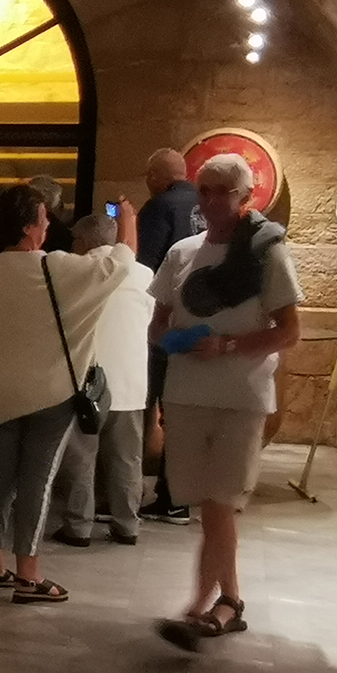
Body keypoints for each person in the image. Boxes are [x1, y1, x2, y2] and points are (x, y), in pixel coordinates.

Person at [0, 182, 140, 606]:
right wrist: (128, 222)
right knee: (37, 482)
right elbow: (119, 265)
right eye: (44, 219)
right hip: (49, 393)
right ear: (29, 228)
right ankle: (29, 574)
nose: (48, 226)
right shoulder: (53, 267)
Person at [153, 154, 302, 649]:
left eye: (224, 191)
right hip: (186, 395)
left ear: (246, 197)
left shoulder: (265, 254)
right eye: (206, 190)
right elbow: (157, 323)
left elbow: (289, 332)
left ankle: (198, 604)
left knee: (220, 502)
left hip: (240, 396)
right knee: (208, 506)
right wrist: (173, 340)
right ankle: (230, 601)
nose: (213, 200)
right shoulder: (181, 253)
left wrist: (229, 346)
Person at [49, 214, 153, 546]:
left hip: (87, 381)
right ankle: (127, 525)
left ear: (83, 242)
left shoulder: (76, 270)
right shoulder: (144, 274)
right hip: (130, 381)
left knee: (81, 457)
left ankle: (78, 526)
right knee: (127, 458)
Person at [136, 147, 204, 526]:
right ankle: (178, 497)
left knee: (143, 406)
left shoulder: (159, 207)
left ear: (155, 177)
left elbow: (144, 266)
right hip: (198, 326)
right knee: (180, 414)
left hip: (162, 325)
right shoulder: (204, 205)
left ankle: (126, 491)